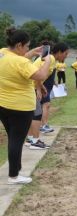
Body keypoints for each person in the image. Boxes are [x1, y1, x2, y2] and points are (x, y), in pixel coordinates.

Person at [0, 27, 51, 184]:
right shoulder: (21, 62)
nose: (28, 49)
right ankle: (14, 176)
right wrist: (47, 61)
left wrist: (31, 53)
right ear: (19, 45)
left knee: (13, 138)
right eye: (27, 46)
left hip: (3, 105)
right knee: (16, 140)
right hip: (20, 108)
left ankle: (16, 168)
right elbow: (41, 75)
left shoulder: (2, 53)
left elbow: (14, 61)